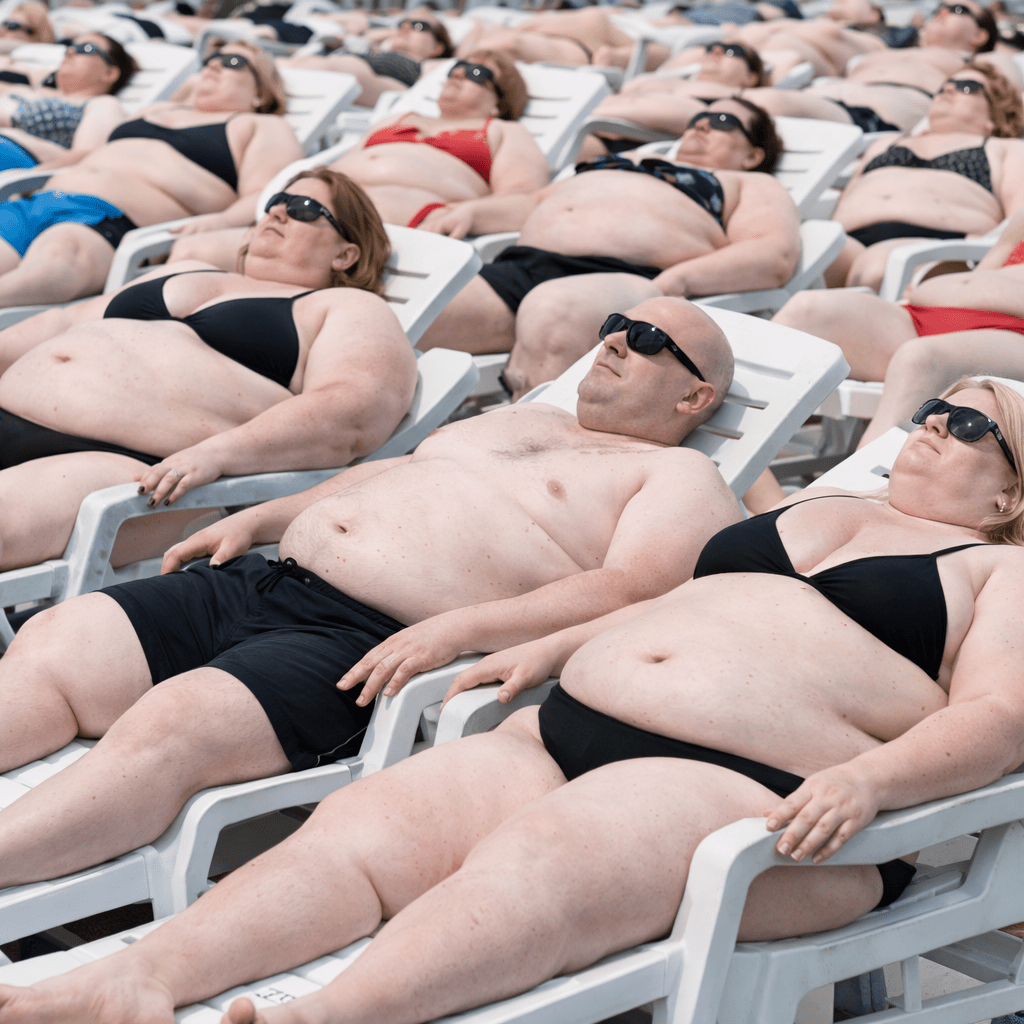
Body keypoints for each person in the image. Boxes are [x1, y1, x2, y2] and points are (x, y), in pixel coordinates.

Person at [3, 376, 1024, 1024]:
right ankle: (140, 979)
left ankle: (323, 1018)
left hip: (763, 800)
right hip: (565, 727)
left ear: (1010, 494)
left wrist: (869, 780)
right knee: (358, 834)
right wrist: (552, 647)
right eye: (932, 410)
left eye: (971, 420)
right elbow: (687, 605)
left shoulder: (998, 572)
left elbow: (1000, 718)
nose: (935, 422)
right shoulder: (823, 501)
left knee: (540, 857)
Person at [0, 296, 738, 899]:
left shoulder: (677, 477)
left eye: (648, 340)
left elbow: (632, 589)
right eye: (615, 322)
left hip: (364, 643)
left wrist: (459, 631)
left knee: (174, 724)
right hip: (265, 579)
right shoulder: (525, 417)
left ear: (694, 395)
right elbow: (394, 471)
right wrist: (265, 518)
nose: (615, 340)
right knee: (60, 643)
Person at [0, 168, 416, 572]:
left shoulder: (346, 307)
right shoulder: (183, 271)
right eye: (277, 201)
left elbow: (354, 409)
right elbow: (64, 321)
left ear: (345, 253)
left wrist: (217, 454)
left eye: (303, 208)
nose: (278, 211)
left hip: (141, 469)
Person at [418, 97, 797, 399]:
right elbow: (533, 203)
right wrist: (472, 213)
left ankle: (524, 458)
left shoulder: (744, 182)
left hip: (623, 278)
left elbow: (772, 253)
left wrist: (678, 281)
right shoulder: (627, 160)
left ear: (753, 154)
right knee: (417, 308)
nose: (701, 124)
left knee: (553, 312)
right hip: (523, 267)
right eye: (699, 116)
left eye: (723, 122)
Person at [168, 50, 548, 268]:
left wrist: (471, 214)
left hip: (392, 223)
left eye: (476, 73)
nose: (458, 75)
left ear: (500, 100)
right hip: (316, 212)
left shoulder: (503, 131)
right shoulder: (398, 117)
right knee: (190, 252)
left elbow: (526, 200)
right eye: (454, 69)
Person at [0, 39, 301, 308]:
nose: (213, 65)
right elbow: (92, 153)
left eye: (232, 62)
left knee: (57, 259)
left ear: (261, 91)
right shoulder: (155, 110)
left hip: (107, 222)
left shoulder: (261, 125)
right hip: (39, 203)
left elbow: (265, 193)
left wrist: (223, 221)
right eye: (210, 60)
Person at [773, 206, 1024, 448]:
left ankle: (865, 474)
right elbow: (988, 266)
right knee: (807, 311)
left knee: (917, 358)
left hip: (1012, 333)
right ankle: (750, 453)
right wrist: (954, 290)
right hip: (930, 315)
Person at [826, 61, 1024, 290]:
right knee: (809, 264)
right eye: (944, 86)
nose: (948, 90)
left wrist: (983, 258)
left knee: (874, 270)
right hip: (850, 239)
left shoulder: (1006, 149)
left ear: (997, 115)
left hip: (942, 246)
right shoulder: (887, 142)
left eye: (967, 87)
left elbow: (1018, 221)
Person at [577, 41, 769, 159]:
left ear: (750, 77)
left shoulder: (724, 102)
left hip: (603, 140)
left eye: (732, 51)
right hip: (584, 122)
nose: (717, 50)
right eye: (712, 48)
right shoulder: (672, 79)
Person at [0, 34, 137, 172]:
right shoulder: (27, 90)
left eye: (86, 48)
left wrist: (19, 179)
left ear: (109, 73)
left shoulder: (103, 103)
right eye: (70, 46)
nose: (70, 51)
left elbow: (86, 156)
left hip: (14, 157)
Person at [283, 12, 454, 109]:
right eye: (402, 24)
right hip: (314, 71)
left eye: (419, 26)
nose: (405, 27)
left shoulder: (434, 67)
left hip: (389, 91)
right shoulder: (373, 48)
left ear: (437, 48)